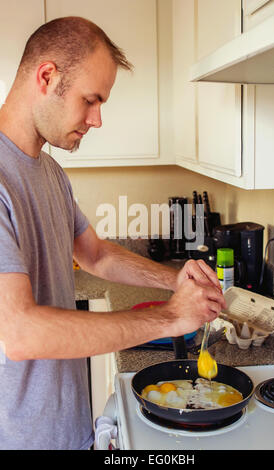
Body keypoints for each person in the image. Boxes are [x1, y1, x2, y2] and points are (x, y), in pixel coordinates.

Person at [0, 17, 226, 450]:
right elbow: (21, 334)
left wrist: (174, 280)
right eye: (90, 100)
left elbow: (96, 255)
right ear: (47, 77)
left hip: (68, 430)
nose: (97, 119)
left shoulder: (49, 172)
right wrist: (171, 316)